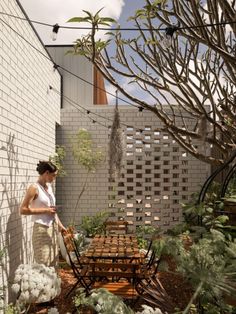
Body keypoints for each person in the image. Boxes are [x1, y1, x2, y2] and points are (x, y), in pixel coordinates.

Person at [20, 160, 66, 267]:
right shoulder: (34, 188)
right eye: (53, 175)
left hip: (53, 229)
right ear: (46, 173)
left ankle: (54, 284)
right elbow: (23, 210)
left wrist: (61, 226)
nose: (54, 178)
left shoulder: (49, 188)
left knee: (53, 262)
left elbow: (52, 210)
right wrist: (46, 210)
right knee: (44, 264)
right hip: (41, 230)